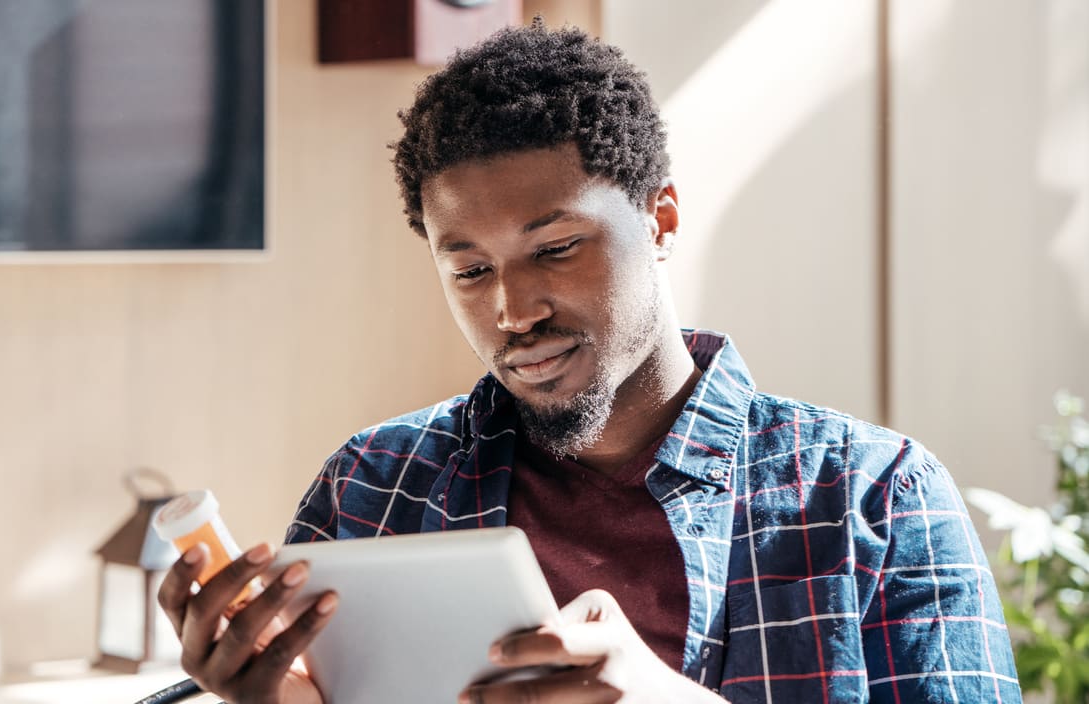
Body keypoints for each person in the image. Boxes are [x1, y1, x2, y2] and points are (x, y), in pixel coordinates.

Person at [157, 21, 1021, 704]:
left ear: (662, 220)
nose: (513, 309)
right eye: (468, 270)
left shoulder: (874, 497)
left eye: (558, 248)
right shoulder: (373, 486)